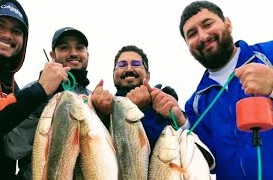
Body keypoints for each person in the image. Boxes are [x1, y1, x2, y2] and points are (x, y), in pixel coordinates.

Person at [0, 0, 74, 179]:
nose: (7, 35)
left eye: (16, 31)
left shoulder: (12, 84)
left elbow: (13, 146)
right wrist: (39, 89)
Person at [179, 1, 273, 179]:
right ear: (188, 46)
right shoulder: (195, 103)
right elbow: (209, 161)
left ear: (227, 23)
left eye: (208, 24)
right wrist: (180, 121)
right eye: (192, 34)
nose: (203, 36)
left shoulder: (269, 54)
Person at [5, 27, 113, 180]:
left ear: (87, 55)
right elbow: (13, 148)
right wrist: (41, 97)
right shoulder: (32, 91)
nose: (73, 53)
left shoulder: (93, 98)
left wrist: (102, 114)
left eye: (80, 47)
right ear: (52, 55)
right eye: (64, 47)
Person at [112, 45, 189, 150]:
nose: (129, 69)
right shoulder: (104, 110)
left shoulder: (166, 105)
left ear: (147, 76)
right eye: (122, 64)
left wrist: (180, 119)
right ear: (113, 75)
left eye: (136, 64)